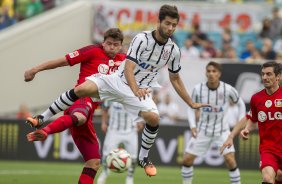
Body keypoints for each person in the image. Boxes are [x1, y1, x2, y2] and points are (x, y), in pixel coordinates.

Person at [26, 4, 209, 177]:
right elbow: (128, 66)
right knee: (82, 89)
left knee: (154, 119)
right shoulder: (141, 39)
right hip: (118, 81)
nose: (170, 28)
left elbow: (175, 78)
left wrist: (191, 103)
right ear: (159, 22)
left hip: (137, 92)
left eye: (174, 25)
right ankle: (42, 117)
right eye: (167, 23)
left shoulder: (174, 51)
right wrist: (135, 88)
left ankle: (144, 158)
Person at [24, 28, 126, 184]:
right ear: (103, 43)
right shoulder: (92, 51)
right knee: (81, 117)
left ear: (120, 46)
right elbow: (63, 61)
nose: (111, 47)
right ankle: (44, 128)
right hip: (79, 101)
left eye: (116, 44)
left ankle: (44, 121)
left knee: (94, 162)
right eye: (109, 43)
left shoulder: (124, 61)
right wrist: (35, 69)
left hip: (90, 111)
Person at [181, 61, 246, 184]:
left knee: (230, 160)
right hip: (202, 131)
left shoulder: (228, 89)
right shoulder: (198, 89)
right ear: (205, 73)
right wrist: (193, 125)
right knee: (187, 160)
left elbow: (241, 104)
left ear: (219, 74)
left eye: (214, 71)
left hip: (222, 131)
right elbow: (191, 107)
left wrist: (241, 122)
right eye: (209, 71)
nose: (211, 74)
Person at [230, 61, 282, 184]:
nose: (264, 77)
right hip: (268, 148)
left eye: (269, 74)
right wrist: (247, 129)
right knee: (268, 178)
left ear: (278, 77)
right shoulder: (256, 98)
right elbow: (253, 120)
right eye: (263, 74)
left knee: (279, 176)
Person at [97, 101, 144, 184]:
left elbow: (140, 109)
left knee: (133, 158)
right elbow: (105, 108)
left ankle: (130, 177)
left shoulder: (133, 95)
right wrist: (104, 122)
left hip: (131, 130)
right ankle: (105, 172)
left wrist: (140, 121)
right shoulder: (112, 93)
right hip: (114, 130)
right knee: (105, 155)